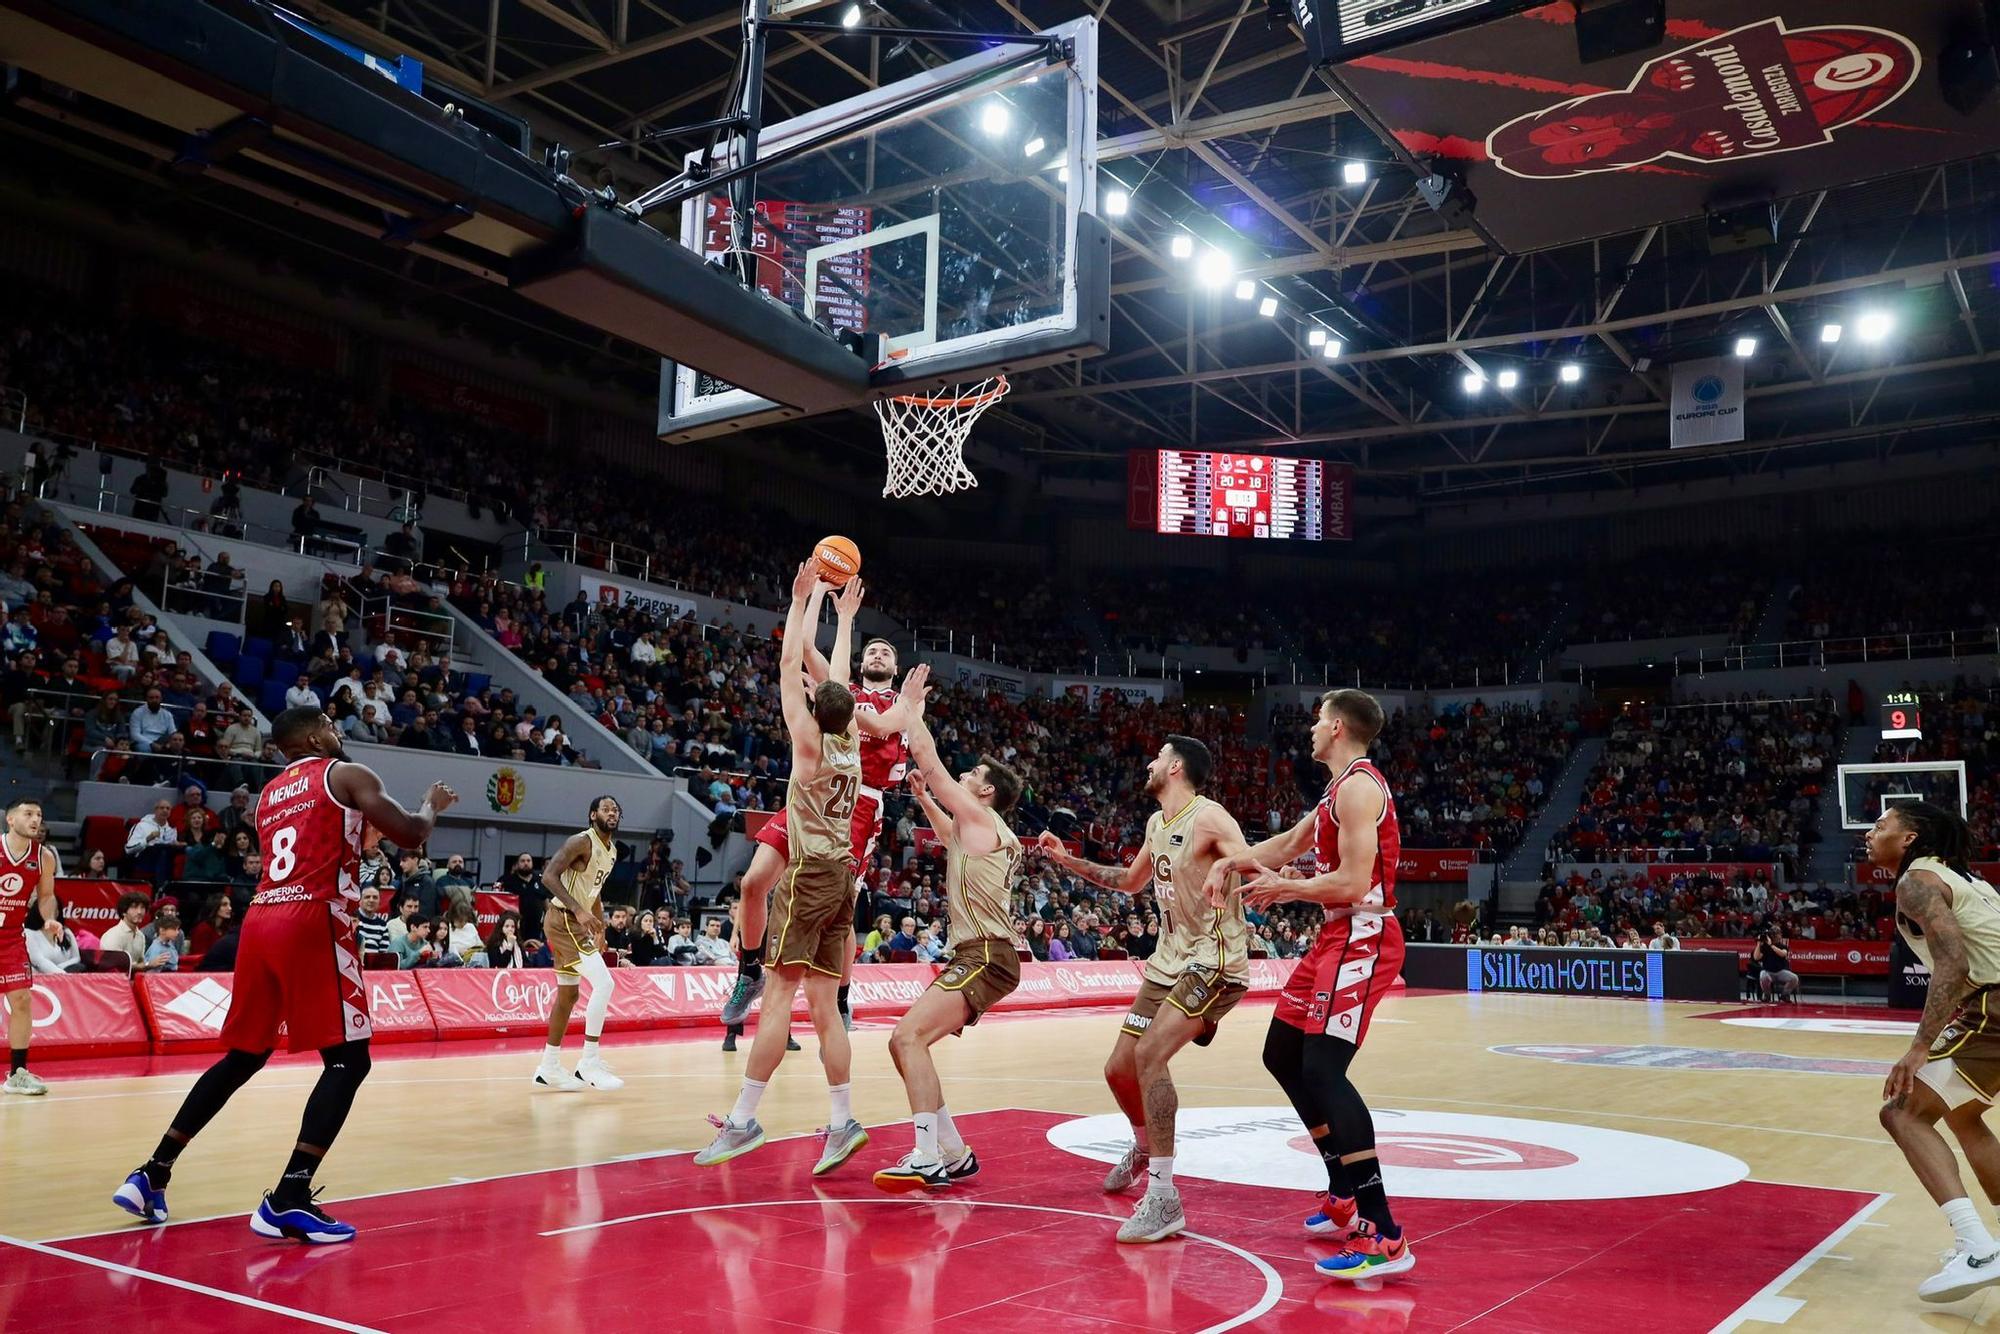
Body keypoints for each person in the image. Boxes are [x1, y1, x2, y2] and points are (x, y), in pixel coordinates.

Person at [113, 705, 456, 1242]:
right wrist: (430, 806)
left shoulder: (271, 793)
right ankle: (289, 1196)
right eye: (333, 725)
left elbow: (337, 840)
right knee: (348, 1061)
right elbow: (410, 833)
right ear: (315, 734)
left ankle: (152, 1172)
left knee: (244, 1056)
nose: (340, 732)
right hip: (313, 918)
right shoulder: (347, 774)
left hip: (262, 919)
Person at [1205, 689, 1414, 1282]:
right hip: (1335, 938)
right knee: (1283, 1054)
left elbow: (1351, 882)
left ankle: (1384, 1233)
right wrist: (1232, 861)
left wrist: (1286, 888)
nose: (1310, 729)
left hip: (1364, 935)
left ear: (1340, 726)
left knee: (1324, 1070)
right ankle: (1342, 1186)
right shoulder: (1335, 787)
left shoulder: (1358, 787)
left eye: (1319, 720)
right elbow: (1287, 845)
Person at [1038, 736, 1253, 1241]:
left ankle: (1163, 1198)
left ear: (1175, 767)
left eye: (1157, 756)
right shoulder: (1158, 824)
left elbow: (1252, 861)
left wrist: (1267, 877)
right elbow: (1131, 882)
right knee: (1118, 1069)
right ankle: (1142, 1143)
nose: (1149, 763)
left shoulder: (1210, 817)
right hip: (1166, 963)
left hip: (1213, 957)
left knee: (1151, 1056)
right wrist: (1069, 862)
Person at [698, 564, 872, 1175]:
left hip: (809, 877)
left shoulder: (810, 743)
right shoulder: (850, 742)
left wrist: (801, 600)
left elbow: (785, 667)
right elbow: (839, 676)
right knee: (826, 1007)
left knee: (777, 1001)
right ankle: (843, 1118)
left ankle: (744, 1120)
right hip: (844, 876)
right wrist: (843, 619)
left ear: (813, 709)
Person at [871, 665, 1026, 1193]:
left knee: (907, 1036)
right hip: (979, 953)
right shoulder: (975, 828)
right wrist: (925, 799)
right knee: (905, 1044)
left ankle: (925, 1154)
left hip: (985, 953)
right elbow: (946, 828)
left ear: (985, 792)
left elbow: (933, 764)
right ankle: (954, 1152)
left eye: (972, 775)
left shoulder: (983, 820)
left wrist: (909, 710)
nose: (964, 774)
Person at [721, 577, 889, 1040]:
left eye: (885, 653)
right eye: (870, 651)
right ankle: (748, 970)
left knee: (840, 908)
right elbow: (817, 657)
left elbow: (796, 662)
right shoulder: (845, 703)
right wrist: (826, 603)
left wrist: (804, 601)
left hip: (856, 809)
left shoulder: (895, 709)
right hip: (810, 800)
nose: (876, 657)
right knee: (754, 882)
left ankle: (837, 996)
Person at [1872, 802, 2000, 1304]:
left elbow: (1953, 957)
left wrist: (1919, 1046)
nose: (1870, 834)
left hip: (1992, 1006)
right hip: (1987, 1004)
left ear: (1909, 838)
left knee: (1902, 1113)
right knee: (1965, 1116)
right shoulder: (1966, 878)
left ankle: (1977, 1247)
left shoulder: (1918, 882)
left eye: (1881, 826)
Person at [530, 796, 626, 1093]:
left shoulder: (611, 850)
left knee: (568, 996)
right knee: (604, 983)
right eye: (606, 808)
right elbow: (548, 876)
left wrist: (600, 926)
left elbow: (594, 890)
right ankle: (589, 1062)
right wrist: (579, 911)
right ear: (592, 814)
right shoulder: (580, 841)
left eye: (616, 810)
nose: (612, 812)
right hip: (563, 919)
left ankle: (548, 1066)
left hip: (575, 922)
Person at [0, 799, 60, 1095]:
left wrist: (48, 919)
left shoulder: (44, 856)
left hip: (10, 936)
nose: (35, 819)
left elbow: (46, 895)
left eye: (39, 814)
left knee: (22, 1000)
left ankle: (17, 1073)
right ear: (10, 820)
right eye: (28, 814)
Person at [1757, 926, 1799, 1001]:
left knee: (1794, 978)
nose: (1780, 935)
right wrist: (1758, 943)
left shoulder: (1782, 946)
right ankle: (1767, 995)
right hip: (1768, 972)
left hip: (1780, 972)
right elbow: (1756, 957)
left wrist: (1771, 945)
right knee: (1762, 975)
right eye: (1778, 934)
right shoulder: (1765, 946)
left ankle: (1784, 995)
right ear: (1772, 935)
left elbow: (1783, 954)